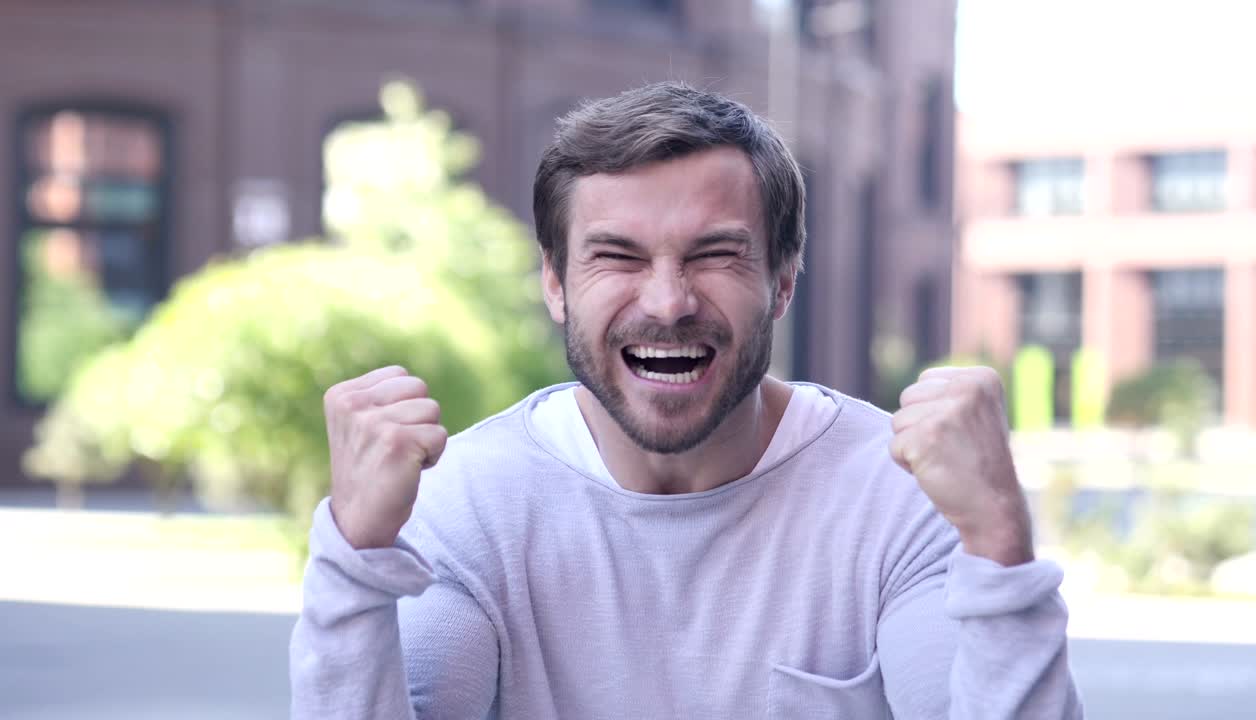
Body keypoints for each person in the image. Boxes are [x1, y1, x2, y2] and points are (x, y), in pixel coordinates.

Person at [289, 81, 1082, 719]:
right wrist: (354, 556)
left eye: (714, 254)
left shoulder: (899, 498)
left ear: (782, 281)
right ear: (556, 284)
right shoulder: (467, 505)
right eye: (618, 257)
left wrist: (999, 544)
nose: (667, 302)